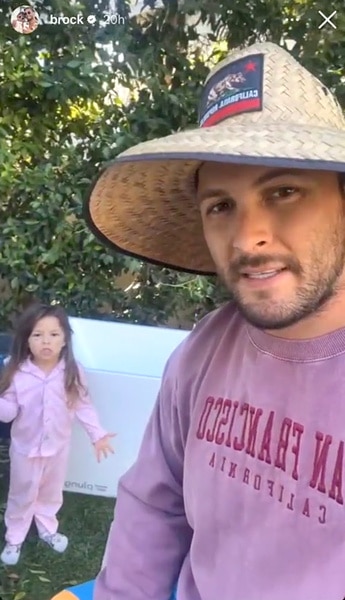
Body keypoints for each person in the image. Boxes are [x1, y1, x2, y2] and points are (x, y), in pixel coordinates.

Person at [85, 41, 345, 600]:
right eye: (221, 206)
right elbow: (155, 505)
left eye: (284, 191)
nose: (248, 238)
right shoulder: (206, 347)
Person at [0, 303, 115, 567]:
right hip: (25, 449)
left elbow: (84, 405)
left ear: (65, 339)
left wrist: (98, 435)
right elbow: (7, 413)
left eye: (53, 334)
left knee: (51, 491)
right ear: (27, 340)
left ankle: (47, 528)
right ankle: (14, 537)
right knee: (22, 492)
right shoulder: (17, 372)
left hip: (58, 448)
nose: (46, 341)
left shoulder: (72, 372)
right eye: (37, 335)